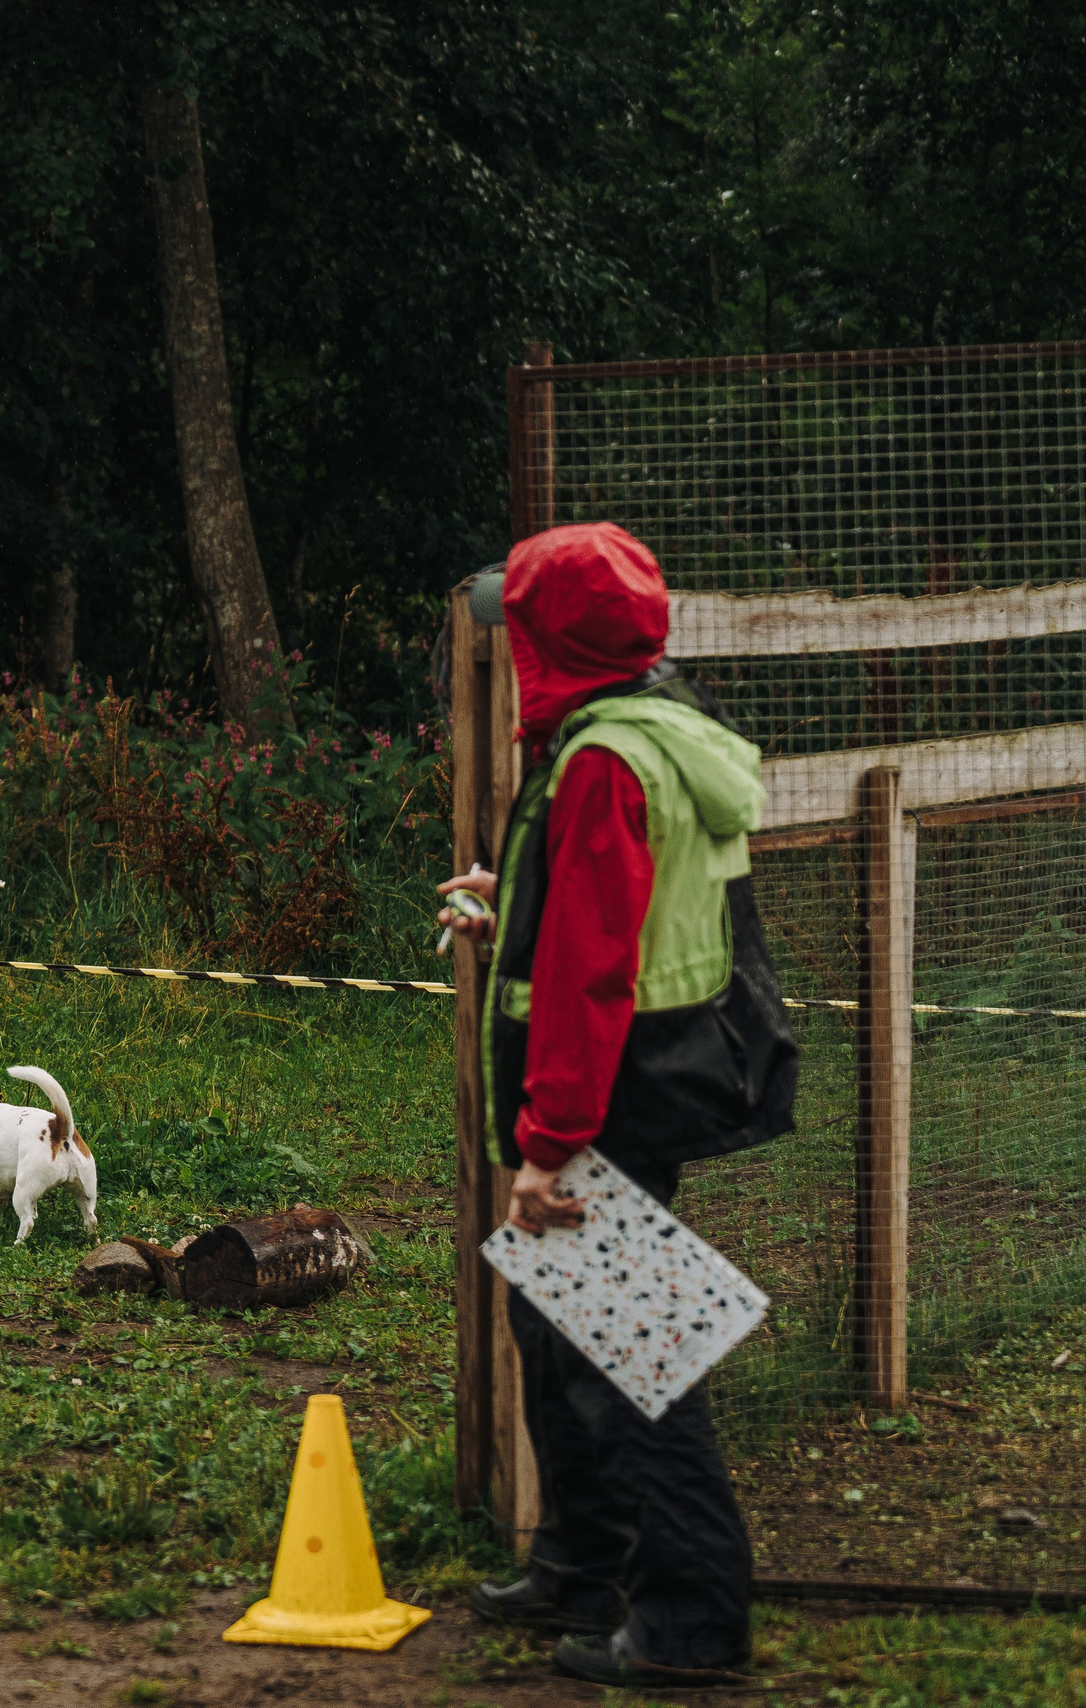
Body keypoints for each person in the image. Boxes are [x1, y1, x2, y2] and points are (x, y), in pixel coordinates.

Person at [436, 522, 796, 1688]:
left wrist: (548, 1148)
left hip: (615, 1090)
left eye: (522, 621)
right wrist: (512, 896)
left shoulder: (603, 759)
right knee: (553, 1329)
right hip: (661, 1067)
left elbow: (595, 971)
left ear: (554, 638)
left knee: (638, 1355)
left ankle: (693, 1622)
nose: (512, 640)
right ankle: (580, 1569)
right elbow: (621, 901)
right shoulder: (648, 731)